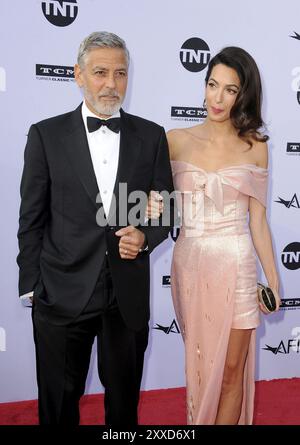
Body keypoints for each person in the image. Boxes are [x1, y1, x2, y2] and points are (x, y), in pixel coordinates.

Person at [17, 31, 174, 425]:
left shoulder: (151, 135)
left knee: (123, 410)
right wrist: (32, 286)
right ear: (78, 75)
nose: (111, 83)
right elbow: (31, 218)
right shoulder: (46, 135)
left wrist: (145, 237)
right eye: (100, 72)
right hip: (61, 292)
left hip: (126, 297)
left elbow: (165, 207)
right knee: (58, 406)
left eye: (120, 73)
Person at [147, 46, 281, 425]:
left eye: (229, 89)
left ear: (244, 95)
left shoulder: (256, 147)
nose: (217, 98)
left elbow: (258, 220)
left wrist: (272, 281)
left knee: (233, 370)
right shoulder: (175, 139)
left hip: (237, 264)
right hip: (191, 264)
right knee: (203, 368)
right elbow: (151, 201)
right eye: (212, 85)